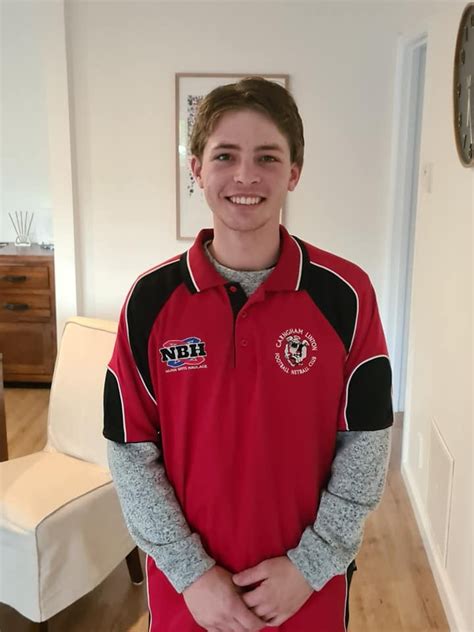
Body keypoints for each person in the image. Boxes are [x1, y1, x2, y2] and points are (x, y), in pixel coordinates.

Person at [103, 77, 393, 632]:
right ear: (196, 169)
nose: (245, 175)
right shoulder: (149, 301)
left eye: (267, 157)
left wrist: (311, 565)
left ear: (294, 172)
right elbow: (130, 449)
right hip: (191, 596)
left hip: (304, 590)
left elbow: (367, 442)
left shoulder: (346, 295)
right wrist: (191, 572)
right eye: (225, 156)